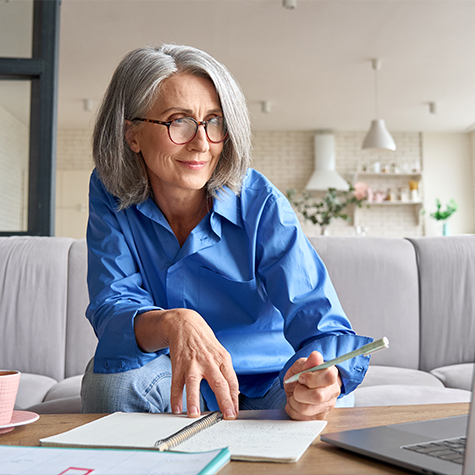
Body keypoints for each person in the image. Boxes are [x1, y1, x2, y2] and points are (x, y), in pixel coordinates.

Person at [81, 43, 372, 421]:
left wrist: (322, 378)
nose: (202, 143)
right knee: (111, 385)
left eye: (214, 122)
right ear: (132, 134)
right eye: (178, 121)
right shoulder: (109, 191)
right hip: (173, 378)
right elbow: (112, 306)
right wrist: (172, 322)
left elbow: (320, 323)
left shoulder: (260, 201)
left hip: (271, 382)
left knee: (326, 407)